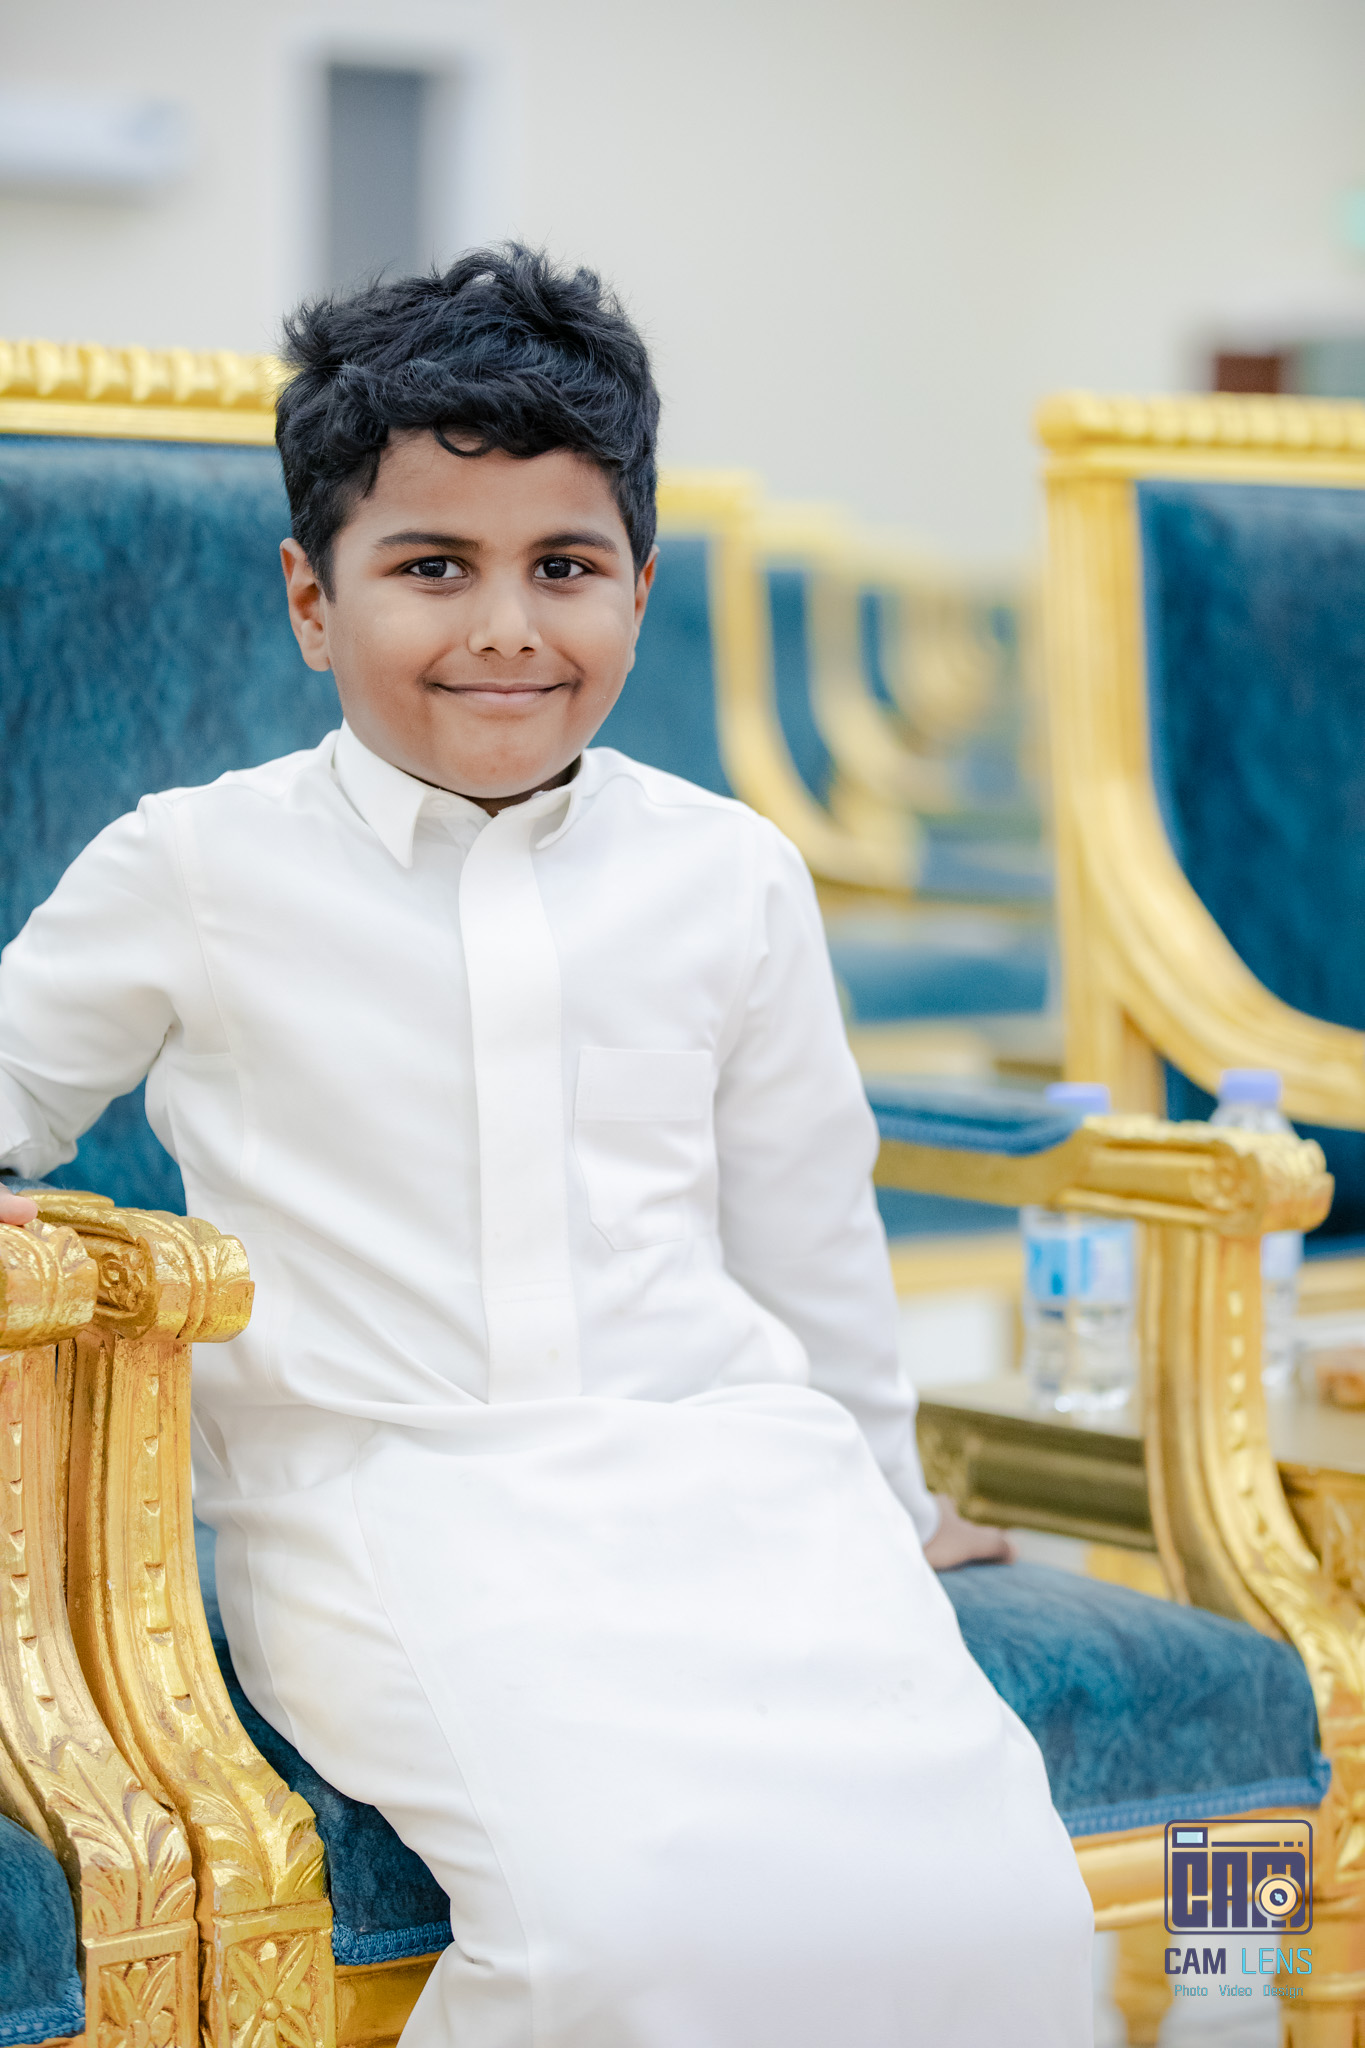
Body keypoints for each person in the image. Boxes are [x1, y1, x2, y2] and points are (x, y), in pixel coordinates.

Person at [0, 247, 1093, 2046]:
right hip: (382, 1497)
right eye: (432, 566)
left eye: (563, 568)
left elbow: (810, 1237)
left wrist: (893, 1507)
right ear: (311, 599)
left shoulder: (729, 873)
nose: (505, 627)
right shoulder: (192, 865)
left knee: (999, 1913)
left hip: (736, 1486)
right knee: (612, 1940)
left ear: (641, 592)